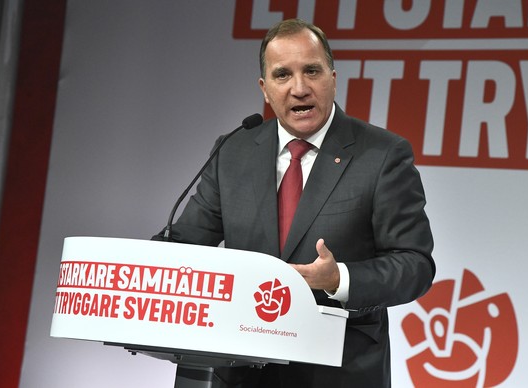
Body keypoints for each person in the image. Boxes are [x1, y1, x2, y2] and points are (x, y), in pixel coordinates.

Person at [153, 18, 435, 388]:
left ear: (333, 77)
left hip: (335, 371)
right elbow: (186, 242)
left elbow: (414, 265)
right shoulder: (233, 150)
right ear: (265, 89)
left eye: (312, 71)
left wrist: (340, 279)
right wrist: (144, 266)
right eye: (283, 75)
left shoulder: (381, 155)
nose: (299, 88)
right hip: (237, 368)